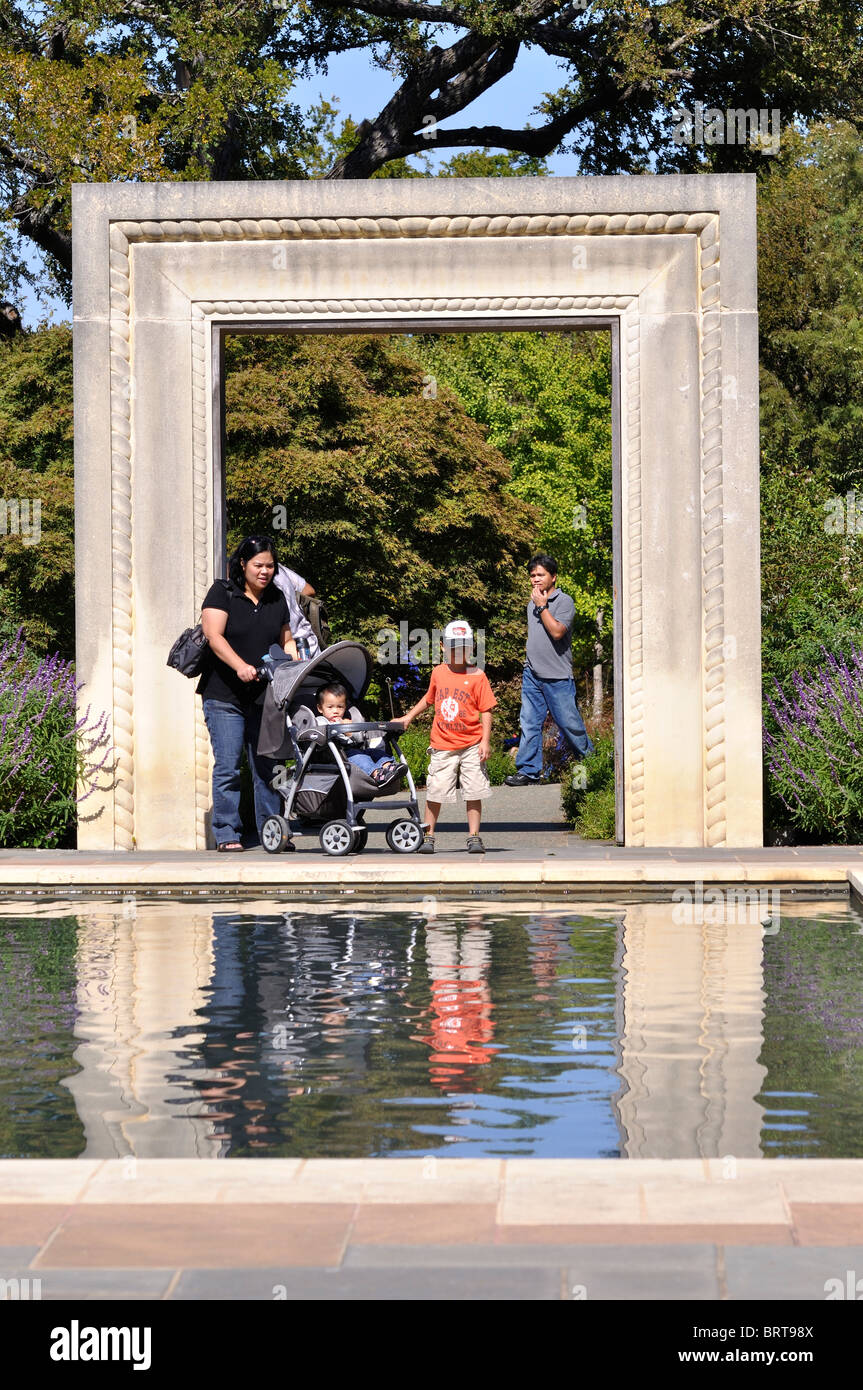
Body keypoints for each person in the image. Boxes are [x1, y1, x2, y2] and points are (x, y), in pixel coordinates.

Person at [198, 536, 297, 851]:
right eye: (258, 565)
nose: (265, 571)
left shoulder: (277, 598)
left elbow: (287, 641)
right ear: (243, 564)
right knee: (228, 765)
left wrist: (294, 665)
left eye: (270, 565)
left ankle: (273, 831)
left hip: (265, 697)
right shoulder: (223, 593)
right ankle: (227, 833)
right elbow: (213, 635)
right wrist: (240, 665)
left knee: (267, 766)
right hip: (224, 695)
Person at [396, 620, 496, 854]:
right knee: (436, 791)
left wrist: (485, 740)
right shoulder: (439, 673)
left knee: (473, 791)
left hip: (472, 743)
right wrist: (408, 717)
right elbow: (428, 699)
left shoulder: (478, 676)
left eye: (463, 646)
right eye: (453, 647)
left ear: (471, 648)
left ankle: (474, 836)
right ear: (442, 646)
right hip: (442, 744)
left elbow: (487, 709)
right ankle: (429, 835)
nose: (458, 652)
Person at [505, 553, 594, 786]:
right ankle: (528, 771)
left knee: (570, 725)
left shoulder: (564, 602)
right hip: (532, 674)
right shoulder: (530, 605)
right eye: (532, 575)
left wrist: (542, 606)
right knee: (529, 722)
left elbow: (557, 632)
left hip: (557, 677)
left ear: (553, 577)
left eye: (541, 575)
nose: (535, 579)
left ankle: (593, 764)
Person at [315, 682, 400, 784]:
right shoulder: (321, 720)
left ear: (345, 707)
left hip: (354, 750)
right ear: (320, 708)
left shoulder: (347, 721)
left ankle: (390, 767)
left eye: (340, 707)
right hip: (336, 755)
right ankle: (377, 774)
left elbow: (359, 739)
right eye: (330, 707)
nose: (335, 711)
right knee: (360, 758)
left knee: (374, 752)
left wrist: (350, 732)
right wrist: (339, 727)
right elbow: (321, 734)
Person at [272, 562, 319, 658]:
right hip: (309, 644)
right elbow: (309, 590)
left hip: (281, 656)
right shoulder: (277, 567)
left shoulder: (239, 575)